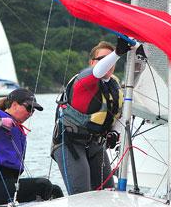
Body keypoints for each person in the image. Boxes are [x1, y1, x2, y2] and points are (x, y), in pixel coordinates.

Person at [51, 38, 132, 194]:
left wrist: (115, 132)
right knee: (82, 194)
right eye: (102, 59)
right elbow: (98, 72)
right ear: (92, 62)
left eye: (111, 60)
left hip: (96, 145)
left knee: (108, 193)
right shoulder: (83, 80)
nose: (108, 63)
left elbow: (121, 113)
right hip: (70, 144)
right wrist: (117, 53)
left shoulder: (114, 85)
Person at [0, 87, 63, 206]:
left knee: (55, 190)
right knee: (43, 185)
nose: (30, 113)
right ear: (15, 105)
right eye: (29, 108)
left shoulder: (20, 131)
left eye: (33, 111)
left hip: (9, 184)